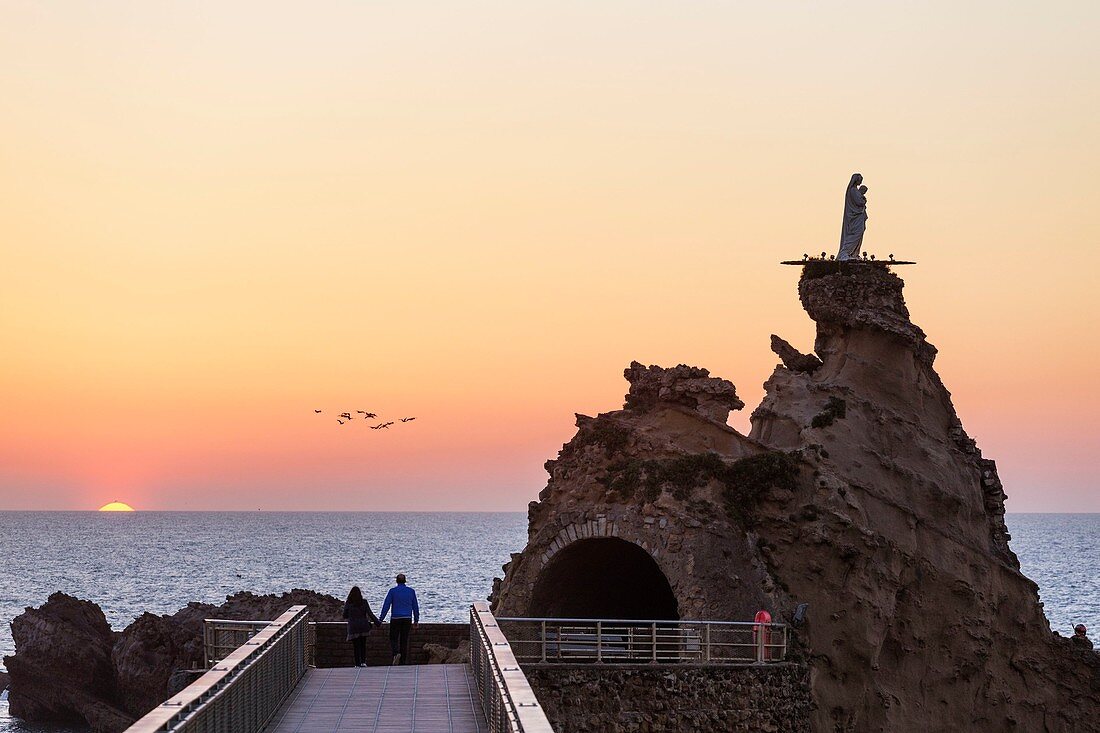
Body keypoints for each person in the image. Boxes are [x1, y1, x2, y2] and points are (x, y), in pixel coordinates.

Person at [378, 573, 420, 665]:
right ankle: (402, 662)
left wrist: (381, 619)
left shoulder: (392, 591)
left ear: (396, 581)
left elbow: (386, 605)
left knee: (393, 638)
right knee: (404, 640)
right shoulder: (411, 591)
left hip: (395, 618)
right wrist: (416, 620)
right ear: (405, 581)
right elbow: (415, 606)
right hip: (407, 618)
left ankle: (396, 653)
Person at [343, 586, 380, 667]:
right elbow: (370, 614)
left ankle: (357, 664)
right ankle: (363, 662)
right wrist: (378, 623)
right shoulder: (364, 602)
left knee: (356, 646)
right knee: (363, 644)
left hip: (353, 627)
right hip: (363, 626)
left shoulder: (348, 603)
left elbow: (344, 615)